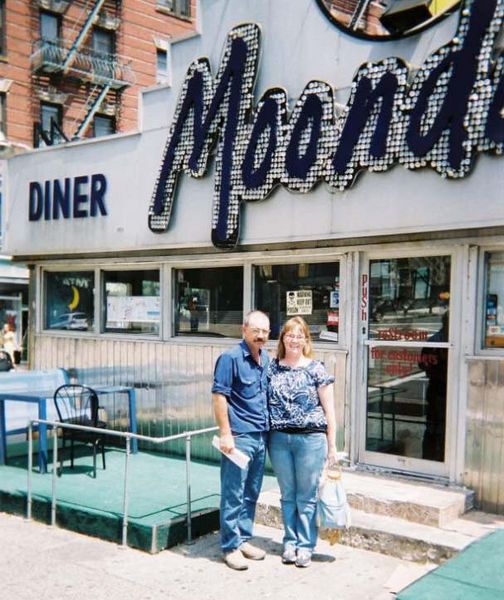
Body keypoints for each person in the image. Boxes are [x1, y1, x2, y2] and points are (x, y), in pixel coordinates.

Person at [268, 316, 337, 568]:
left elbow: (330, 411)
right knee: (287, 494)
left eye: (299, 335)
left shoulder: (316, 368)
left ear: (306, 339)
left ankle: (306, 545)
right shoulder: (272, 367)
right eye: (290, 334)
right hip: (279, 439)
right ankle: (290, 541)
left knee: (306, 496)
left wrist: (332, 446)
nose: (294, 339)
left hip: (310, 439)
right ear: (283, 338)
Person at [211, 310, 270, 570]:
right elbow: (219, 396)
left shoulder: (265, 357)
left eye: (265, 331)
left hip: (260, 435)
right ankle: (230, 546)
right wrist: (225, 433)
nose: (261, 336)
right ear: (244, 330)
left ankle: (244, 538)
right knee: (233, 493)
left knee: (251, 492)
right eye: (256, 330)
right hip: (239, 436)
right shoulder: (230, 358)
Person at [418, 311, 449, 462]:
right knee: (437, 427)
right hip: (439, 389)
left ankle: (430, 457)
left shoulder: (434, 340)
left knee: (433, 426)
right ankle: (434, 458)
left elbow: (422, 364)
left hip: (437, 388)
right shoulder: (439, 341)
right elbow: (423, 363)